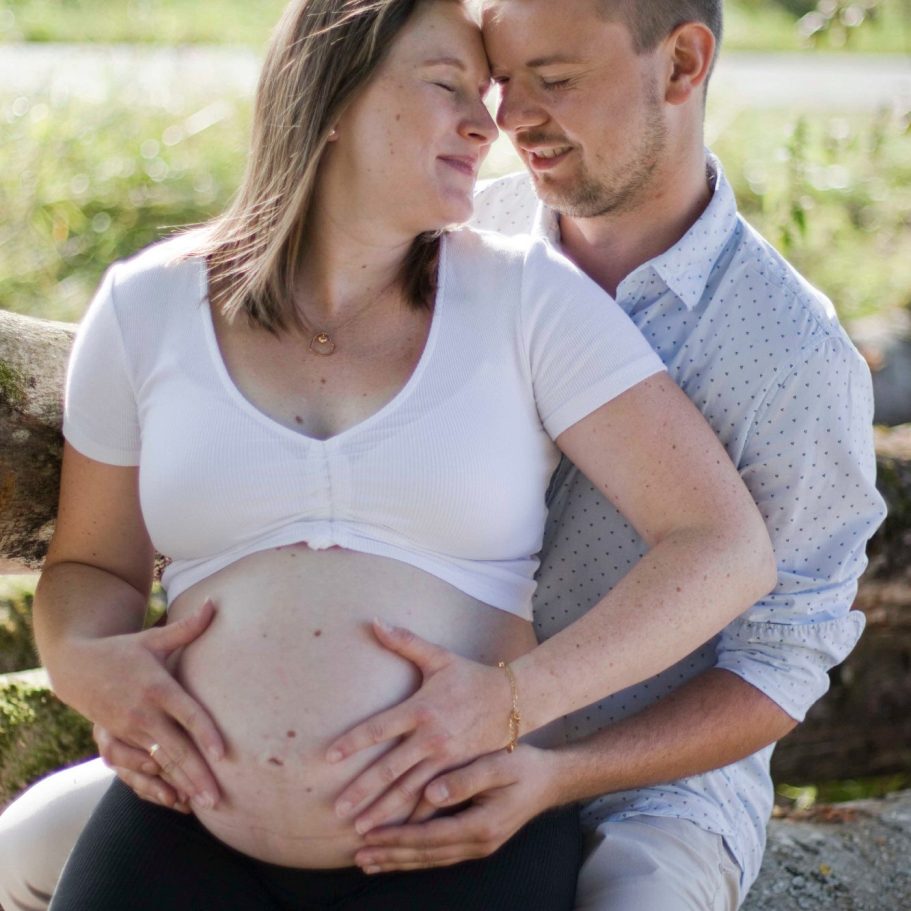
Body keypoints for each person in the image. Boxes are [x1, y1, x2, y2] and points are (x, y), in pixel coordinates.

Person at [8, 0, 778, 909]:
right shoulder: (145, 308)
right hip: (186, 820)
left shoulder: (525, 299)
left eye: (482, 95)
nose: (487, 123)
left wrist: (514, 700)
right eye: (449, 86)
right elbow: (92, 564)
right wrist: (82, 661)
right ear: (329, 97)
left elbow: (723, 543)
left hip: (456, 836)